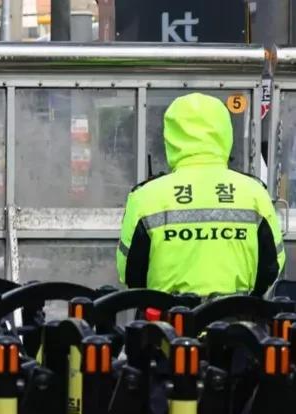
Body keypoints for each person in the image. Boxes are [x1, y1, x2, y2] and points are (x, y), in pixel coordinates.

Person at [117, 93, 285, 297]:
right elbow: (271, 268)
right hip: (237, 322)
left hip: (165, 325)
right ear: (225, 133)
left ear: (171, 136)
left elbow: (130, 273)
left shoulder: (145, 197)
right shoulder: (254, 193)